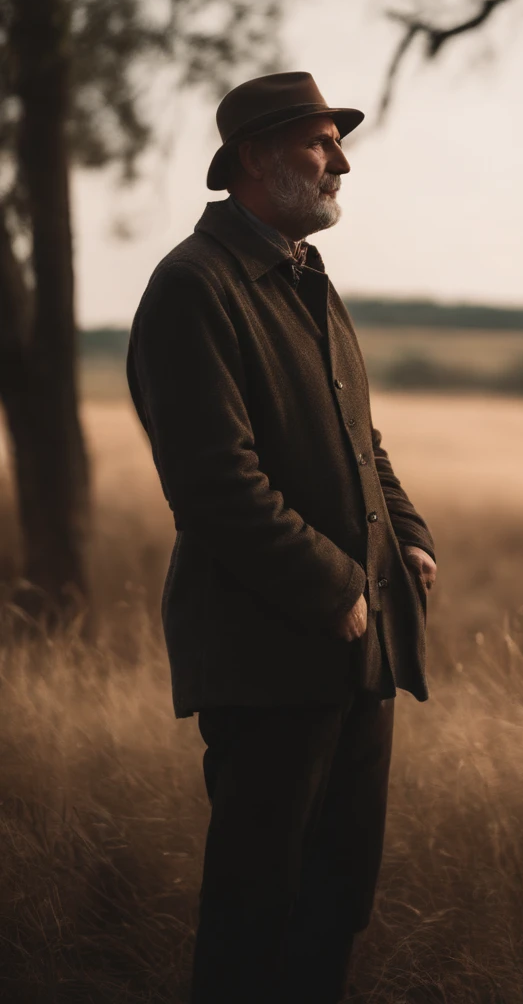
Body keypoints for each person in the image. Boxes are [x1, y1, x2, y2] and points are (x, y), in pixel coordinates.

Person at [126, 71, 437, 1003]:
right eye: (318, 143)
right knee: (258, 906)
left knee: (335, 897)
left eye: (337, 142)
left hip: (357, 647)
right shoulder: (193, 287)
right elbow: (215, 486)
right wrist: (337, 585)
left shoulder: (305, 276)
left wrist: (407, 536)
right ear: (256, 159)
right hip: (268, 653)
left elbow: (358, 440)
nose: (341, 160)